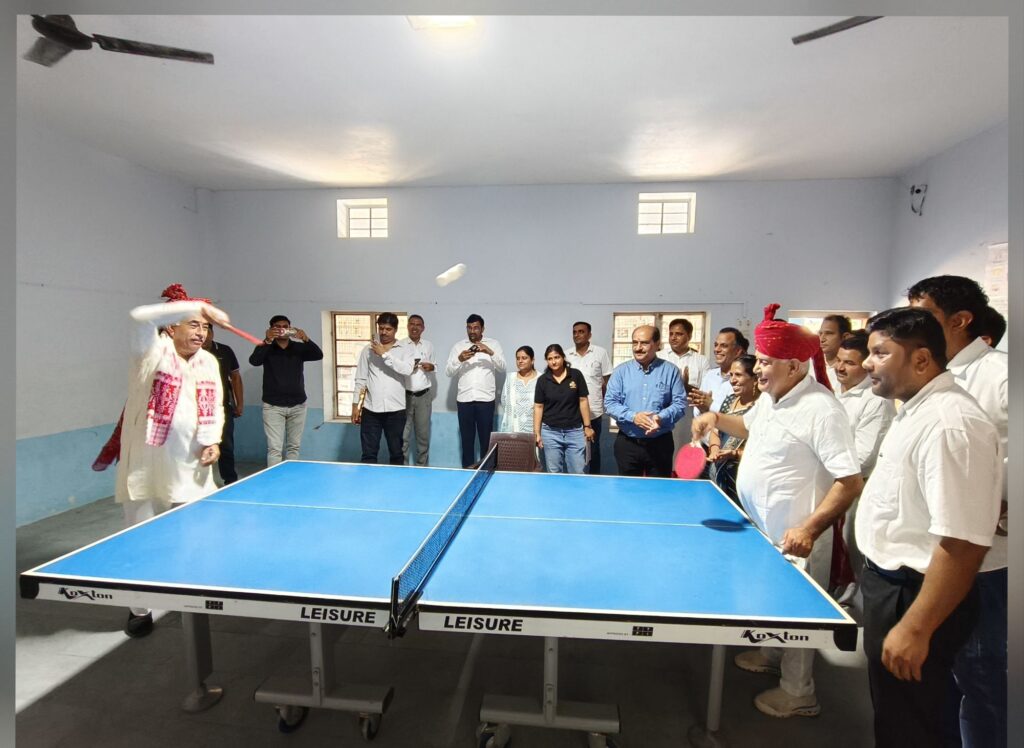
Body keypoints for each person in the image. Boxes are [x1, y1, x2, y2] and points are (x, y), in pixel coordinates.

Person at [693, 303, 862, 718]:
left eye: (766, 362)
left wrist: (810, 528)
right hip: (763, 525)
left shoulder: (822, 410)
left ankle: (799, 691)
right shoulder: (772, 398)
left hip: (796, 532)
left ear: (795, 366)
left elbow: (849, 481)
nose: (758, 368)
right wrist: (714, 417)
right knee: (771, 601)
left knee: (797, 612)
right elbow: (747, 427)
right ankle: (771, 653)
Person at [856, 307, 1001, 748]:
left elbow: (963, 542)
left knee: (915, 724)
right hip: (891, 589)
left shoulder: (950, 424)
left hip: (915, 594)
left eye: (880, 353)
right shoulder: (916, 410)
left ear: (921, 359)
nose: (867, 363)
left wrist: (916, 628)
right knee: (896, 713)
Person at [908, 275, 1008, 748]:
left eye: (923, 315)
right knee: (942, 671)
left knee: (982, 675)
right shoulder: (931, 374)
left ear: (961, 320)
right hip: (934, 552)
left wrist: (1001, 502)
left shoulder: (1000, 376)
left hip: (987, 561)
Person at [117, 283, 229, 637]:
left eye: (205, 326)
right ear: (171, 326)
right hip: (146, 466)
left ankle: (190, 601)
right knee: (141, 542)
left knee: (194, 539)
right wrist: (198, 305)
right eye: (193, 324)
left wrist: (213, 440)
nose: (201, 332)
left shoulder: (208, 361)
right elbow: (139, 316)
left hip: (192, 465)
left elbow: (216, 406)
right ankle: (139, 609)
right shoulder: (150, 353)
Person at [832, 331, 895, 604]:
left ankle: (854, 602)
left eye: (849, 363)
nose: (840, 367)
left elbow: (863, 457)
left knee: (851, 547)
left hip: (855, 487)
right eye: (839, 360)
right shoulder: (835, 392)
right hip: (831, 481)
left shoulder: (875, 400)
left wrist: (823, 466)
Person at [604, 325, 686, 477]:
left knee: (659, 488)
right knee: (627, 488)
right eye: (635, 343)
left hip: (660, 443)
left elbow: (680, 404)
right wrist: (633, 416)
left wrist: (660, 418)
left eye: (644, 343)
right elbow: (610, 403)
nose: (638, 348)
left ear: (657, 344)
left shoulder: (671, 371)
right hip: (628, 443)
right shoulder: (621, 371)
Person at [248, 314, 323, 466]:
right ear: (271, 329)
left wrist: (305, 339)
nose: (282, 329)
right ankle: (274, 477)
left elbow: (318, 355)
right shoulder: (266, 347)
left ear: (290, 329)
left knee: (294, 447)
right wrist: (267, 340)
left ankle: (291, 476)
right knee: (274, 448)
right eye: (277, 327)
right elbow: (254, 361)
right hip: (273, 406)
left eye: (285, 327)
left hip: (298, 405)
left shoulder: (298, 348)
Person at [353, 313, 415, 465]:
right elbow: (361, 378)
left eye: (388, 329)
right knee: (368, 454)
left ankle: (396, 480)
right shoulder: (368, 350)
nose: (384, 332)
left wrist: (384, 354)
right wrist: (355, 405)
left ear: (395, 330)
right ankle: (368, 479)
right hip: (371, 409)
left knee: (397, 453)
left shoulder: (405, 349)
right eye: (381, 328)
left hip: (396, 410)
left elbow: (407, 370)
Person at [445, 314, 506, 467]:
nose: (472, 331)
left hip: (486, 400)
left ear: (482, 329)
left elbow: (502, 367)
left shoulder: (494, 344)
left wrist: (490, 352)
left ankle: (486, 471)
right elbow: (448, 372)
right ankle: (467, 472)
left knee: (486, 441)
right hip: (464, 400)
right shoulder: (458, 346)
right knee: (467, 442)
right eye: (469, 328)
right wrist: (459, 359)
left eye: (476, 328)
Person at [705, 353, 759, 503]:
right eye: (731, 375)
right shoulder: (729, 400)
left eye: (738, 375)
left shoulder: (762, 407)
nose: (732, 380)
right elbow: (716, 430)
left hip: (744, 477)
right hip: (718, 471)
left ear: (755, 379)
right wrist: (715, 450)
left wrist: (735, 454)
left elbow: (765, 449)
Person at [658, 317, 711, 464]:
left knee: (685, 456)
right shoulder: (659, 357)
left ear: (689, 336)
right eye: (671, 333)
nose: (673, 337)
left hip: (689, 415)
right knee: (663, 456)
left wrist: (686, 387)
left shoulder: (701, 360)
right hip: (663, 412)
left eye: (679, 334)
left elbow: (704, 393)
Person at [533, 344, 592, 474]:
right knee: (554, 473)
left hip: (575, 432)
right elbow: (538, 406)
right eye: (550, 359)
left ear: (563, 357)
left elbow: (583, 400)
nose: (553, 362)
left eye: (557, 357)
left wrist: (587, 426)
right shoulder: (542, 380)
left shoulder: (576, 375)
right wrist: (537, 433)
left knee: (578, 472)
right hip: (550, 432)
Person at [565, 321, 613, 474]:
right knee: (573, 449)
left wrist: (610, 405)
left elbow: (608, 382)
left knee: (593, 448)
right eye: (575, 332)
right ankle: (575, 478)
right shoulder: (566, 355)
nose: (577, 335)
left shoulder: (600, 353)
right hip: (572, 412)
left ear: (589, 335)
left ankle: (594, 478)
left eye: (581, 331)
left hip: (594, 411)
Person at [203, 326, 244, 485]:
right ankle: (200, 483)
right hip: (195, 409)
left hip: (222, 407)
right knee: (197, 447)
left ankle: (230, 480)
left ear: (212, 333)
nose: (203, 334)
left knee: (226, 445)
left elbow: (235, 377)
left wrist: (239, 403)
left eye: (207, 330)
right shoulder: (188, 351)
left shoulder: (225, 351)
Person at [687, 327, 748, 417]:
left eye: (724, 346)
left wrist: (710, 405)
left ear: (737, 351)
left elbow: (740, 415)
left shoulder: (745, 379)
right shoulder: (710, 375)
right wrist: (702, 408)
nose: (717, 349)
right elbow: (697, 412)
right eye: (716, 345)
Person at [401, 314, 436, 466]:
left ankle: (422, 468)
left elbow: (435, 365)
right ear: (407, 326)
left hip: (424, 396)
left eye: (418, 325)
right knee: (403, 436)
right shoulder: (400, 345)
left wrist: (431, 366)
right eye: (412, 324)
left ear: (423, 328)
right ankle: (402, 468)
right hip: (403, 396)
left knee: (423, 437)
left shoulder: (428, 345)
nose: (415, 327)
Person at [498, 346, 539, 433]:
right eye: (518, 358)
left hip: (535, 428)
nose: (520, 361)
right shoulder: (510, 378)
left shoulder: (541, 379)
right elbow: (504, 401)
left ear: (532, 360)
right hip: (513, 429)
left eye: (524, 358)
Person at [818, 314, 853, 391]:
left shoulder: (853, 370)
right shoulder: (810, 366)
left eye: (829, 333)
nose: (822, 339)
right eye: (820, 333)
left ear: (845, 337)